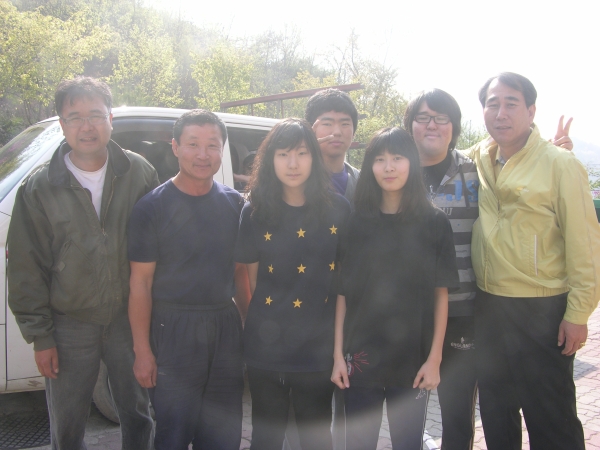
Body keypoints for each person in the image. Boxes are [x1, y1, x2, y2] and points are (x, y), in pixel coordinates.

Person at [7, 77, 157, 450]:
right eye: (75, 117)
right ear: (62, 124)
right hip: (69, 324)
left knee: (138, 414)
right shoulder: (39, 187)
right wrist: (41, 336)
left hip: (128, 319)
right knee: (68, 422)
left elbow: (159, 248)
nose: (86, 126)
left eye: (95, 115)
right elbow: (25, 267)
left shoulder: (138, 172)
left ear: (111, 119)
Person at [467, 72, 600, 450]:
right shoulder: (478, 157)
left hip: (542, 308)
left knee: (551, 415)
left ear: (531, 111)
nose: (501, 113)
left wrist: (578, 313)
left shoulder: (560, 164)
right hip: (488, 304)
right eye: (492, 104)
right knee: (496, 411)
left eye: (511, 103)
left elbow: (586, 245)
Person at [127, 109, 251, 450]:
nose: (202, 154)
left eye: (212, 145)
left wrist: (248, 328)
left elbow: (240, 272)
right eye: (193, 144)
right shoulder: (151, 208)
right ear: (175, 147)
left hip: (224, 326)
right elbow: (140, 283)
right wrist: (142, 351)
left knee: (223, 433)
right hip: (172, 328)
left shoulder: (235, 205)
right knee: (174, 431)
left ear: (222, 150)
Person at [331, 127, 459, 450]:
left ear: (412, 163)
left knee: (408, 443)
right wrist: (337, 356)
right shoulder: (355, 223)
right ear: (370, 166)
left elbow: (441, 295)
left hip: (412, 361)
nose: (388, 167)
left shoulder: (434, 223)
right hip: (360, 360)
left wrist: (434, 359)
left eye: (398, 158)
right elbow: (343, 295)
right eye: (379, 159)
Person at [235, 118, 351, 450]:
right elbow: (252, 281)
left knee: (317, 438)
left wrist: (337, 351)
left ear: (314, 156)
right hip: (265, 350)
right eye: (283, 154)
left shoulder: (338, 210)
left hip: (317, 350)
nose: (293, 163)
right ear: (270, 160)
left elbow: (342, 287)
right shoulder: (254, 212)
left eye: (301, 153)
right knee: (266, 437)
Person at [403, 89, 479, 450]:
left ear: (454, 127)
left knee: (457, 410)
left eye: (441, 118)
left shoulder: (476, 172)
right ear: (410, 126)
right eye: (423, 117)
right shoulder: (395, 170)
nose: (431, 125)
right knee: (405, 406)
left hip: (463, 309)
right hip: (405, 313)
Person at [305, 88, 360, 201]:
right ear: (311, 129)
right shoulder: (296, 178)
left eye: (345, 124)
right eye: (327, 124)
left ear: (354, 132)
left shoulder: (362, 181)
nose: (337, 132)